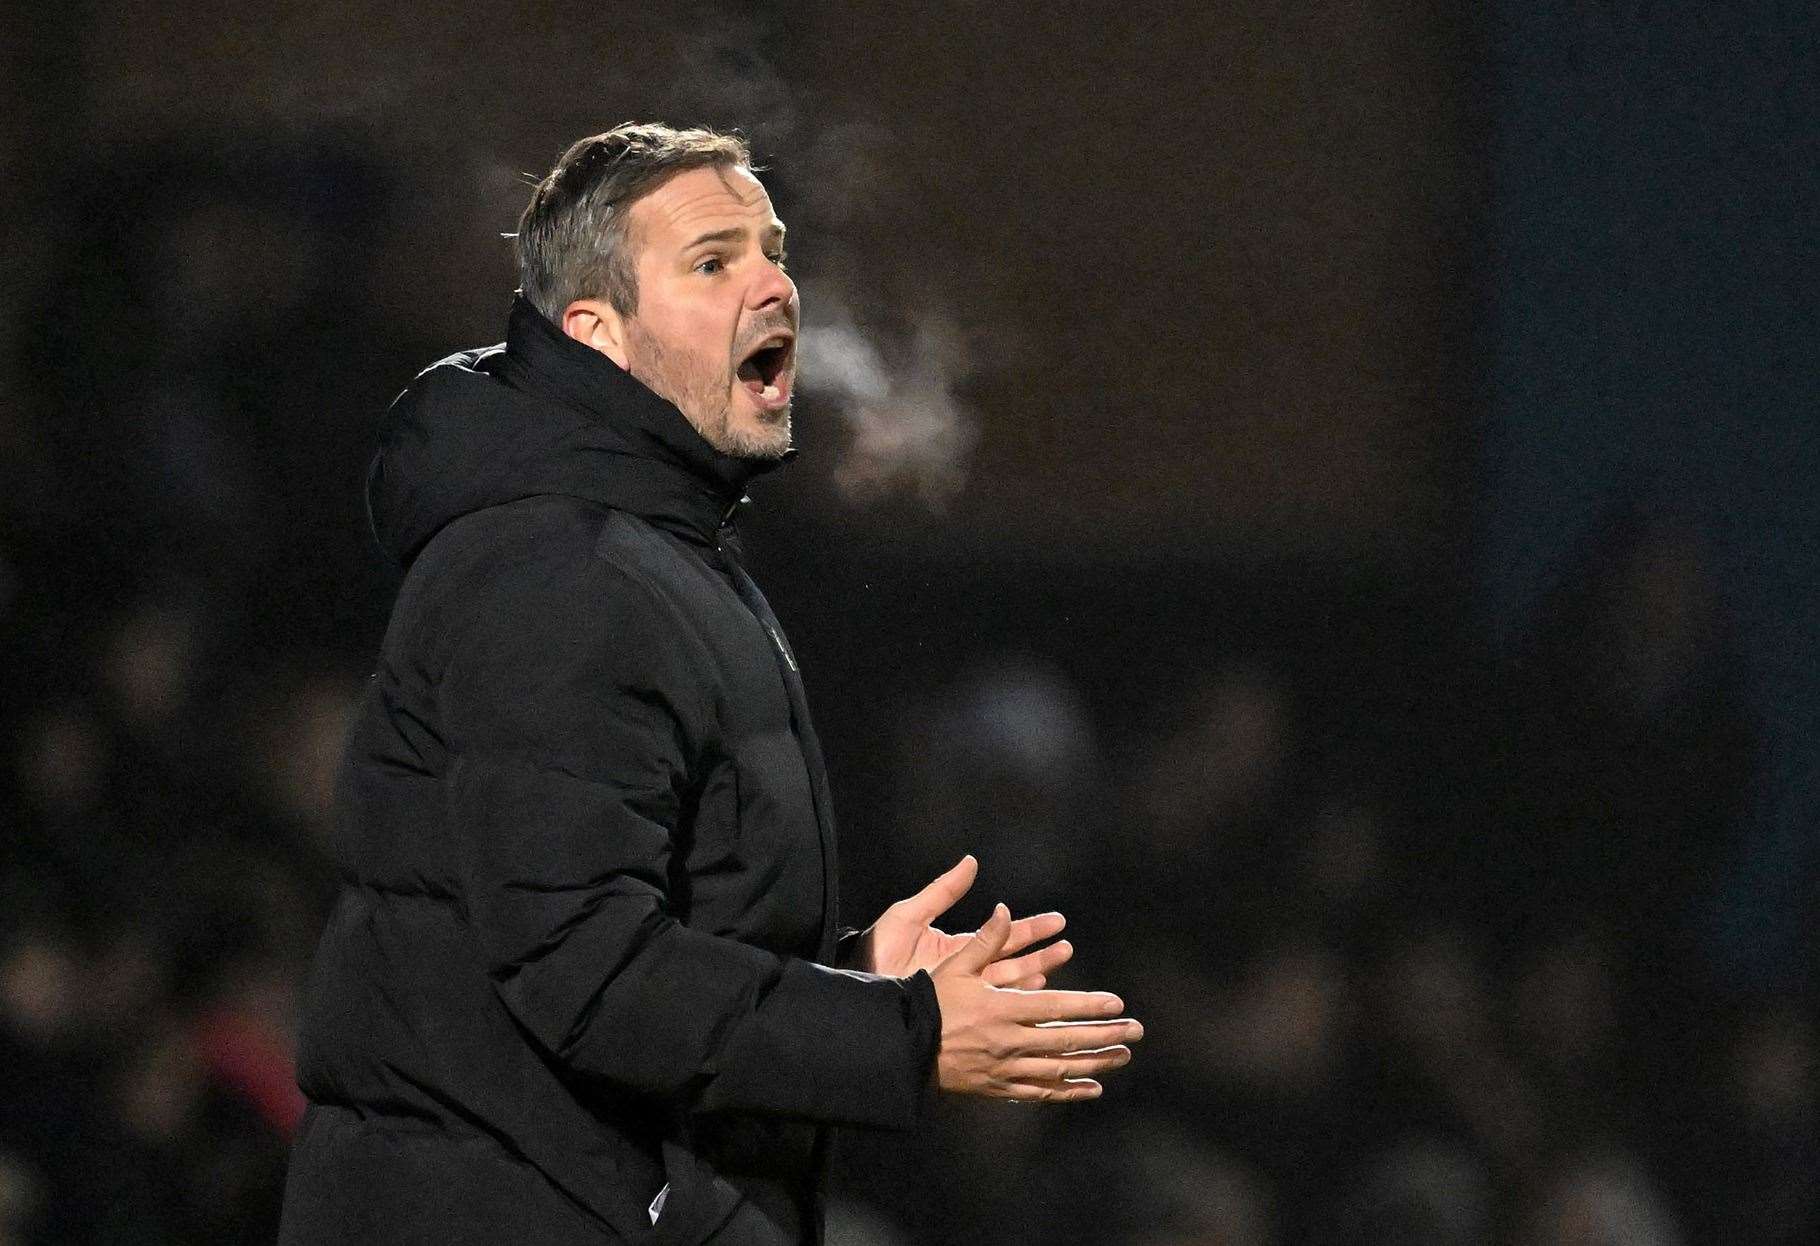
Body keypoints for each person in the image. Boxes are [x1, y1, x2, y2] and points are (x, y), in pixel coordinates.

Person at [277, 123, 1141, 1245]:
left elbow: (612, 929)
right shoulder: (558, 569)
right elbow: (582, 967)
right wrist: (903, 1036)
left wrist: (856, 980)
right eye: (712, 259)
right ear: (597, 335)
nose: (774, 281)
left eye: (772, 249)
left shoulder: (646, 555)